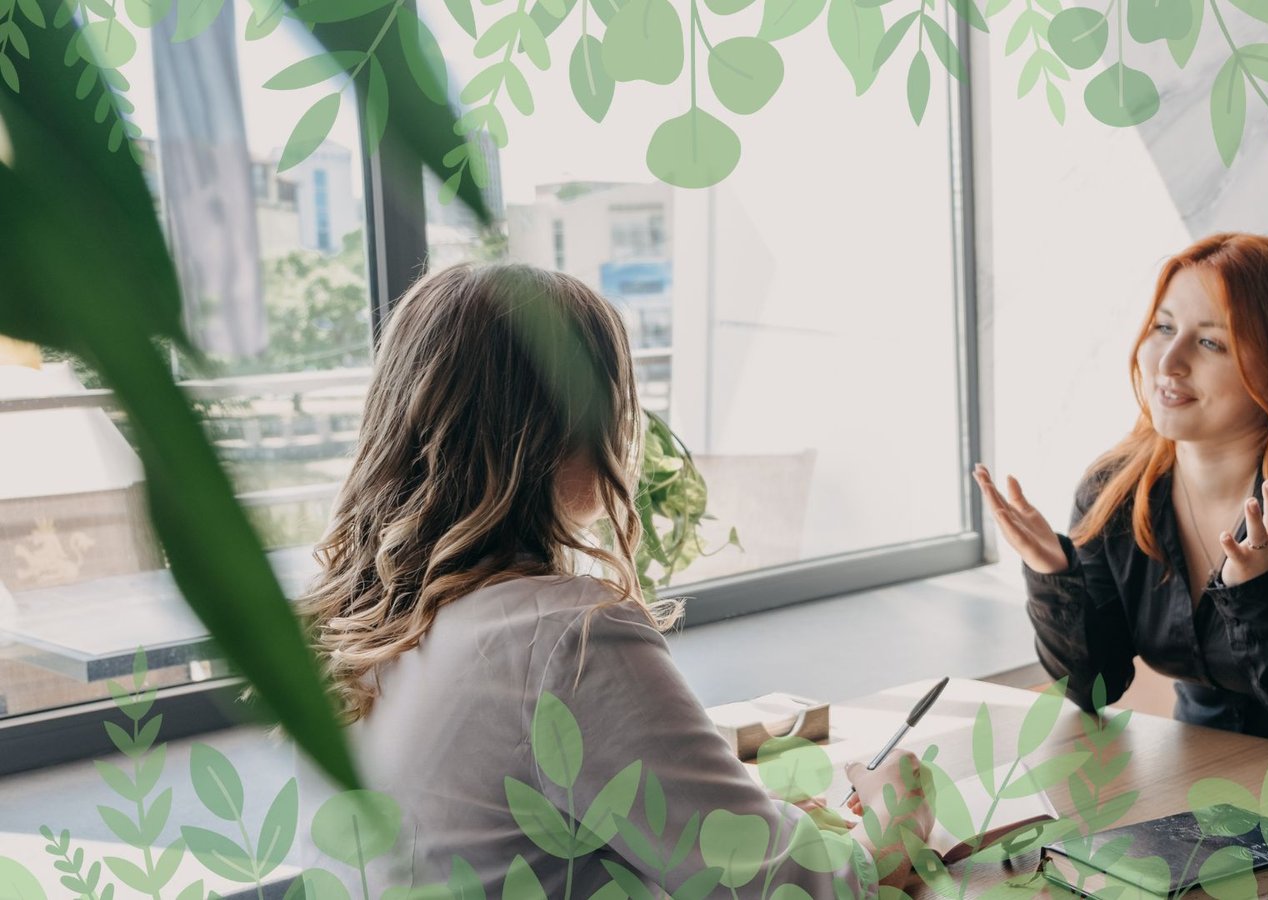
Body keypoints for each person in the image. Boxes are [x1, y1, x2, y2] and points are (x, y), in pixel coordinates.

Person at [298, 263, 930, 898]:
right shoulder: (561, 638)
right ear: (555, 429)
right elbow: (797, 890)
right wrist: (895, 819)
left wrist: (758, 821)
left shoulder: (359, 627)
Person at [974, 233, 1268, 770]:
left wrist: (1259, 592)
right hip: (1215, 799)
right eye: (1163, 327)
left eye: (1211, 343)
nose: (1169, 361)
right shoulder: (1114, 491)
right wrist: (1053, 574)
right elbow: (1097, 687)